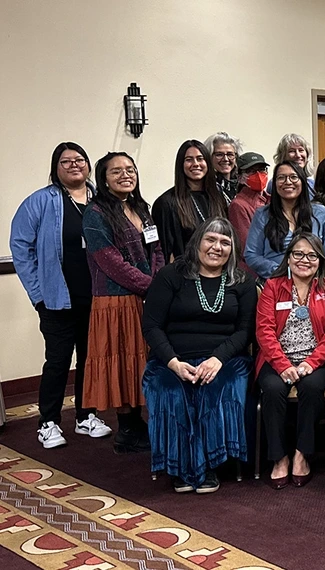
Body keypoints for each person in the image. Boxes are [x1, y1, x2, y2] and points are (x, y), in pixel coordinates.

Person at [141, 218, 255, 493]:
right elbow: (151, 325)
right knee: (169, 390)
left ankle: (208, 467)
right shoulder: (171, 275)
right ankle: (181, 467)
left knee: (216, 388)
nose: (217, 247)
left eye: (225, 242)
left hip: (225, 360)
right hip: (171, 359)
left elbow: (245, 332)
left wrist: (217, 359)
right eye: (211, 240)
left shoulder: (243, 281)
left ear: (233, 249)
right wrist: (173, 363)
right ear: (198, 243)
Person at [11, 142, 112, 448]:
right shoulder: (40, 201)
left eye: (79, 160)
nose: (74, 165)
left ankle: (85, 416)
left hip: (95, 296)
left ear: (88, 165)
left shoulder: (102, 201)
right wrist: (37, 294)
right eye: (66, 161)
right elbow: (20, 246)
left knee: (90, 359)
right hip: (56, 298)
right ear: (56, 168)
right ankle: (49, 422)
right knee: (57, 361)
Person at [83, 152, 165, 453]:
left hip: (145, 297)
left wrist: (156, 281)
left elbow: (156, 249)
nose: (125, 175)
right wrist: (151, 287)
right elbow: (110, 262)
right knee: (121, 361)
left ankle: (140, 424)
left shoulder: (141, 208)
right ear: (103, 179)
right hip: (115, 301)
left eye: (130, 169)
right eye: (116, 171)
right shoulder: (95, 214)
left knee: (140, 360)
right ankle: (127, 429)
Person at [255, 233, 325, 489]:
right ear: (289, 257)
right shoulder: (273, 286)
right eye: (298, 254)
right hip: (277, 359)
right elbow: (264, 330)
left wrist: (310, 363)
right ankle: (279, 457)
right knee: (272, 390)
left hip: (317, 360)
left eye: (311, 255)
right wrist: (283, 365)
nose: (304, 260)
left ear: (320, 260)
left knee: (312, 387)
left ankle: (302, 454)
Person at [244, 162, 325, 280]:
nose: (288, 182)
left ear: (302, 181)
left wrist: (308, 271)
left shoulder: (321, 213)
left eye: (293, 177)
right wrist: (282, 271)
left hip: (314, 281)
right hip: (275, 282)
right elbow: (251, 255)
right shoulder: (263, 214)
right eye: (281, 177)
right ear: (274, 184)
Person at [152, 140, 228, 262]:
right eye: (189, 160)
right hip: (184, 274)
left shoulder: (217, 198)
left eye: (200, 158)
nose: (196, 164)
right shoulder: (166, 203)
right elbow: (164, 252)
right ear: (181, 164)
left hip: (217, 270)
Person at [204, 132, 242, 202]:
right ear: (209, 157)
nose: (226, 159)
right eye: (219, 155)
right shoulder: (204, 188)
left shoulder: (241, 185)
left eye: (230, 154)